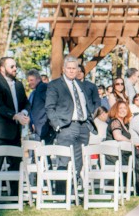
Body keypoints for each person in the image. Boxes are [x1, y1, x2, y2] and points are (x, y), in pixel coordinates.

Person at [45, 56, 97, 194]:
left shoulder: (80, 85)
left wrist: (89, 120)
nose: (72, 71)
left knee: (78, 164)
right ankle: (62, 196)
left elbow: (87, 104)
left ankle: (72, 194)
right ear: (63, 69)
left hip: (83, 127)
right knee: (65, 161)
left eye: (74, 68)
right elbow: (49, 107)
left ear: (78, 70)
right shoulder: (55, 84)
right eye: (69, 68)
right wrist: (58, 125)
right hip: (66, 127)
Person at [0, 57, 30, 174]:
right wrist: (15, 116)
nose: (15, 69)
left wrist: (24, 113)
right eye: (12, 67)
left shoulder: (19, 85)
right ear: (1, 69)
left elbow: (26, 102)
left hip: (15, 133)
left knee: (16, 167)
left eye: (16, 66)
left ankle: (14, 193)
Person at [26, 69, 49, 140]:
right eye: (28, 80)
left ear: (38, 79)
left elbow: (49, 105)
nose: (29, 83)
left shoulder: (43, 87)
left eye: (31, 80)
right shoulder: (34, 92)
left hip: (44, 128)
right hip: (36, 129)